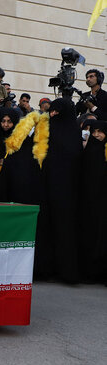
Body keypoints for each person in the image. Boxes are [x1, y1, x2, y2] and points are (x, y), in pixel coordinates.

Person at [34, 98, 82, 283]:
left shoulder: (73, 133)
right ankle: (44, 268)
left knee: (65, 229)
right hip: (46, 188)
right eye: (51, 111)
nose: (53, 114)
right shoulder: (46, 130)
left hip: (67, 192)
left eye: (57, 111)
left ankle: (66, 271)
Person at [77, 119, 107, 283]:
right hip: (87, 203)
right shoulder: (87, 151)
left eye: (100, 132)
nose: (96, 135)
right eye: (93, 131)